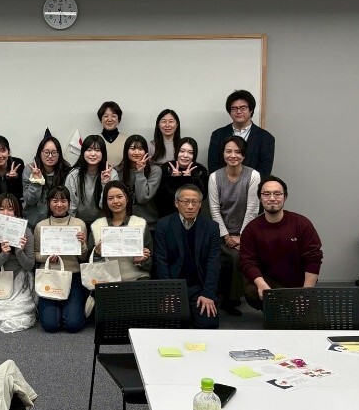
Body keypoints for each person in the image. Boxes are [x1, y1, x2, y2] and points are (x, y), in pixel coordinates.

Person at [239, 176, 323, 310]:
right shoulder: (251, 229)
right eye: (266, 194)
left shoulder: (302, 224)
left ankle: (292, 305)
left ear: (285, 197)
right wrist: (262, 285)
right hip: (270, 284)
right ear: (260, 198)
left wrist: (306, 293)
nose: (272, 198)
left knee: (312, 319)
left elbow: (313, 259)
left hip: (299, 284)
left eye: (277, 193)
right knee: (252, 291)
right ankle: (282, 308)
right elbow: (248, 262)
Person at [154, 184, 221, 329]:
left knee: (208, 325)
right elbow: (161, 261)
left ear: (200, 204)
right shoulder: (163, 225)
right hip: (174, 285)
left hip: (199, 286)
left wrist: (208, 293)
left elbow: (213, 263)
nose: (190, 206)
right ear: (176, 203)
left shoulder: (212, 227)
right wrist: (168, 292)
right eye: (185, 202)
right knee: (170, 324)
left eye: (194, 202)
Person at [208, 136, 261, 316]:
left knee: (238, 256)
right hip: (221, 232)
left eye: (238, 152)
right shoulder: (215, 177)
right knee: (227, 257)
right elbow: (215, 211)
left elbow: (252, 209)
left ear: (244, 155)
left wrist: (242, 236)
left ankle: (232, 298)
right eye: (228, 151)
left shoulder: (253, 176)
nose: (233, 155)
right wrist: (226, 236)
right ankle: (226, 297)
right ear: (223, 154)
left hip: (247, 231)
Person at [33, 186, 89, 333]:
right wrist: (47, 258)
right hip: (50, 276)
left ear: (69, 203)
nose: (59, 204)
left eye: (63, 201)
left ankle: (70, 308)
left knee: (73, 325)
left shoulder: (79, 224)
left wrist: (82, 244)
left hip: (73, 276)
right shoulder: (40, 226)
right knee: (50, 325)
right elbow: (35, 254)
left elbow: (83, 257)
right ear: (48, 203)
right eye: (55, 200)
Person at [0, 194, 37, 333]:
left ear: (16, 211)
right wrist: (4, 254)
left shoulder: (26, 231)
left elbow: (30, 266)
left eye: (10, 209)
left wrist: (19, 251)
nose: (6, 213)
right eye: (1, 209)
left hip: (20, 280)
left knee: (20, 315)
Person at [89, 181, 152, 281]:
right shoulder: (97, 225)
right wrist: (98, 255)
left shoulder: (140, 224)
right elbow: (91, 264)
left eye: (119, 197)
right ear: (106, 202)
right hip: (106, 281)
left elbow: (150, 264)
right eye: (110, 198)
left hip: (137, 280)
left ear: (127, 198)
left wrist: (140, 261)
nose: (115, 201)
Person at [207, 89, 275, 178]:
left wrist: (246, 183)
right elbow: (213, 166)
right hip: (223, 184)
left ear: (251, 110)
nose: (238, 112)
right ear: (230, 112)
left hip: (253, 185)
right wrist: (228, 182)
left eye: (243, 108)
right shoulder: (218, 135)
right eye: (234, 108)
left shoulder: (266, 138)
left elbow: (265, 170)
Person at [65, 135, 118, 225]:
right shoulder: (74, 175)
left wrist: (105, 184)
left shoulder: (111, 174)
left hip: (104, 222)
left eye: (97, 150)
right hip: (78, 221)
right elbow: (71, 205)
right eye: (89, 150)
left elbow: (108, 206)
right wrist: (71, 225)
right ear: (83, 152)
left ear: (103, 153)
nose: (93, 154)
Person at [22, 135, 72, 231]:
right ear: (40, 153)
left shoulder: (66, 170)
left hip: (59, 224)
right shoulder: (30, 169)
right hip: (33, 223)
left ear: (59, 154)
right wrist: (36, 182)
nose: (50, 156)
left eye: (54, 153)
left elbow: (68, 200)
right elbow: (29, 200)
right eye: (46, 152)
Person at [115, 134, 162, 232]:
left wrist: (140, 172)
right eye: (132, 148)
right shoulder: (118, 171)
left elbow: (142, 198)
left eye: (141, 149)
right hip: (123, 225)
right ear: (126, 151)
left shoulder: (155, 171)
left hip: (148, 225)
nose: (137, 152)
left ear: (146, 151)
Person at [156, 137, 208, 219]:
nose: (185, 155)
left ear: (194, 155)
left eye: (190, 152)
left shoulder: (200, 170)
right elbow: (161, 198)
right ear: (177, 152)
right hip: (167, 216)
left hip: (192, 216)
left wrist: (188, 179)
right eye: (182, 151)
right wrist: (174, 179)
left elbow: (202, 196)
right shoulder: (167, 167)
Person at [96, 101, 128, 167]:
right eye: (106, 116)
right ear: (101, 120)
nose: (109, 119)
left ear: (119, 120)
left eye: (113, 116)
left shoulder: (128, 140)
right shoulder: (94, 140)